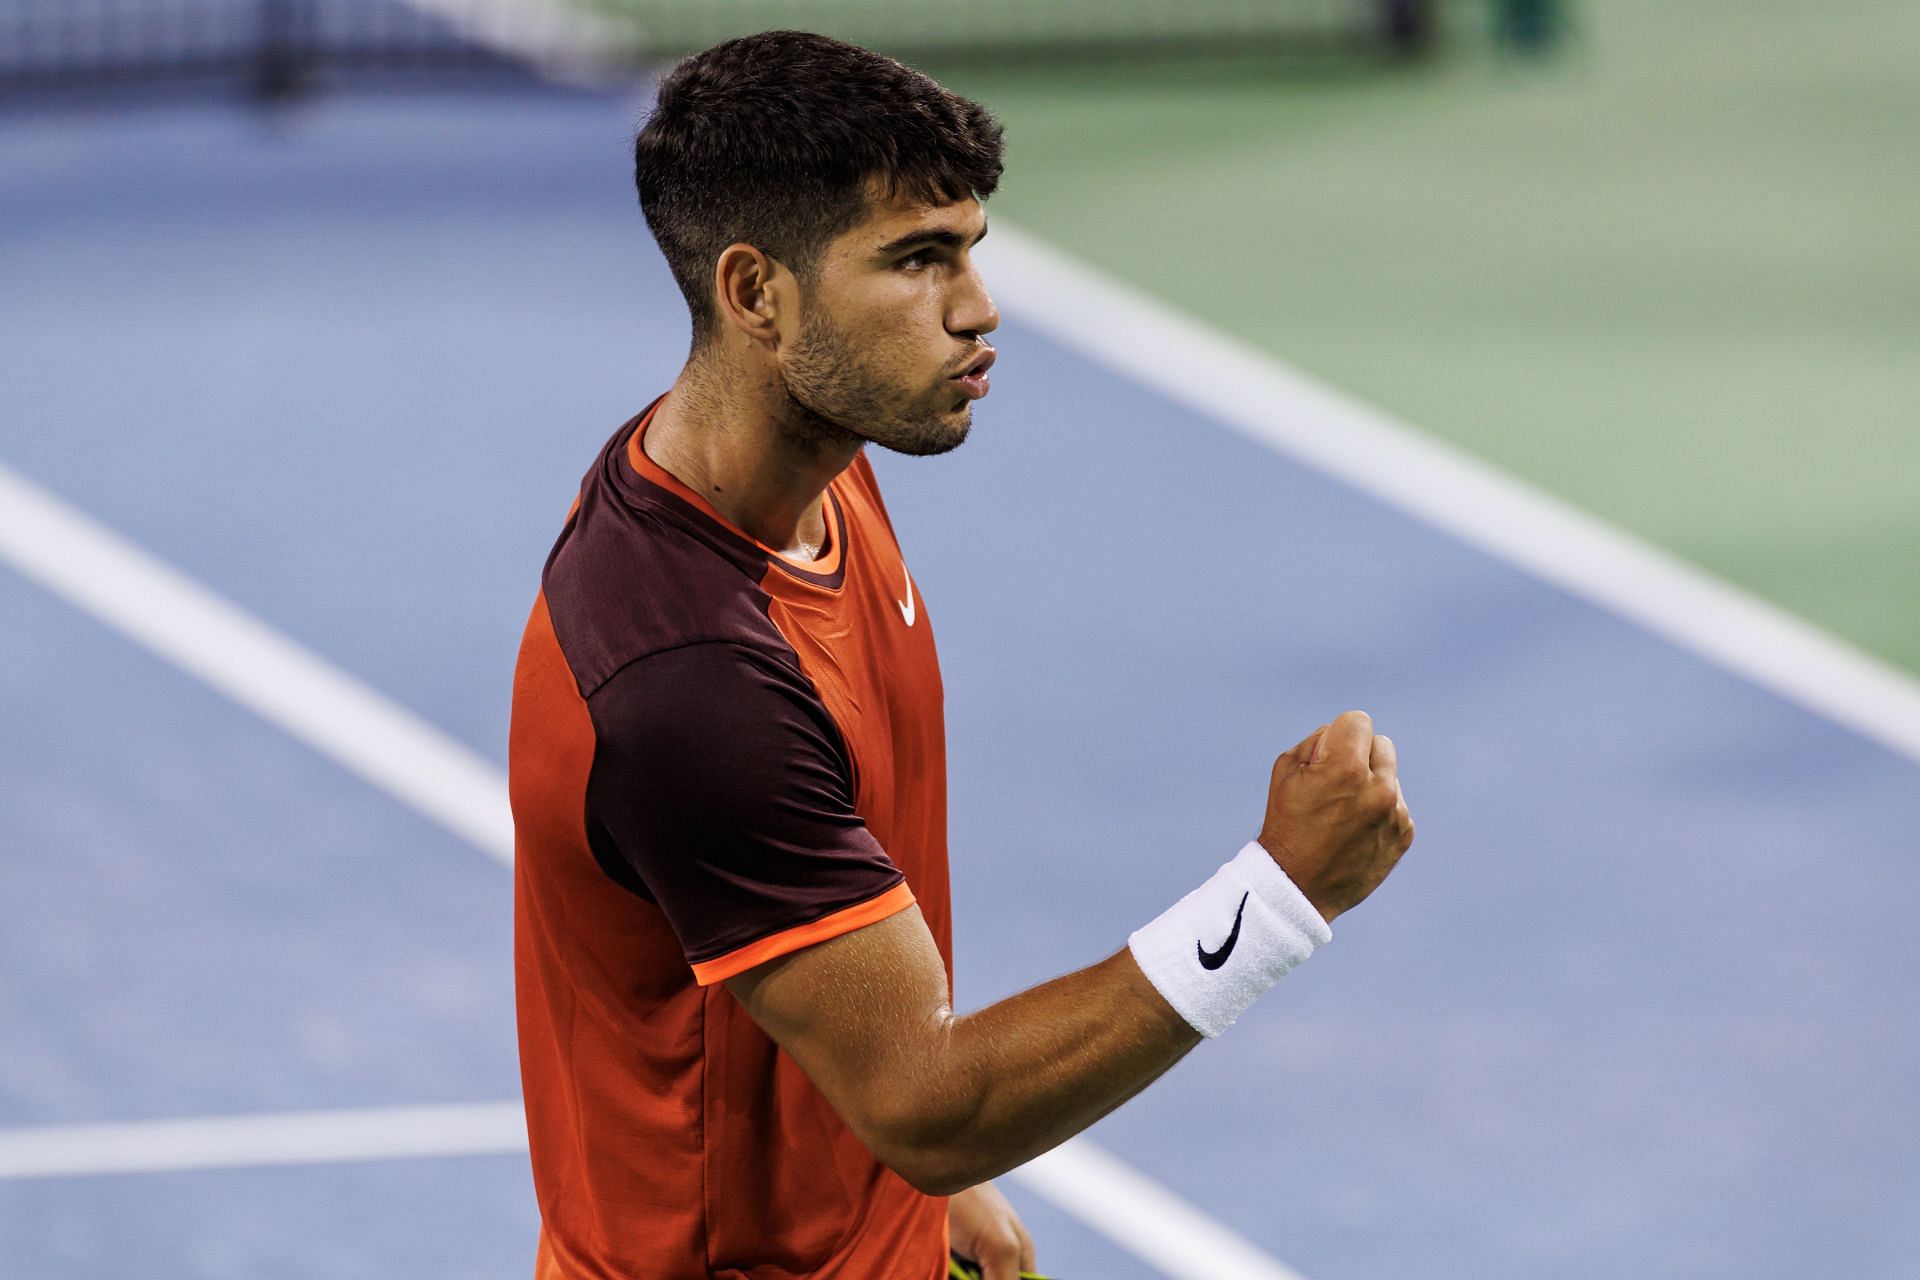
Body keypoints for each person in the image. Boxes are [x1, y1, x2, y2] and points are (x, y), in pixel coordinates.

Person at [508, 29, 1415, 1280]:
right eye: (918, 261)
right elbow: (926, 1103)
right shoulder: (692, 682)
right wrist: (1280, 896)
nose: (978, 307)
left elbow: (829, 962)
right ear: (755, 292)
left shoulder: (805, 467)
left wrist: (926, 1196)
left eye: (971, 250)